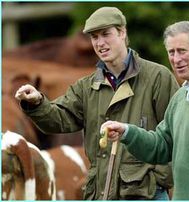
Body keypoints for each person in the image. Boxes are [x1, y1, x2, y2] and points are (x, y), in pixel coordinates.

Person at [15, 7, 179, 200]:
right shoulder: (86, 86)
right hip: (100, 193)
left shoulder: (158, 78)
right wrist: (37, 102)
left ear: (122, 32)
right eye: (94, 37)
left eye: (105, 34)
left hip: (146, 194)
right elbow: (59, 119)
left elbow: (176, 133)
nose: (100, 43)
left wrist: (157, 180)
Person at [101, 21, 189, 200]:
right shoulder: (180, 97)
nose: (176, 59)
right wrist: (127, 132)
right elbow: (161, 146)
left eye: (182, 51)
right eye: (171, 52)